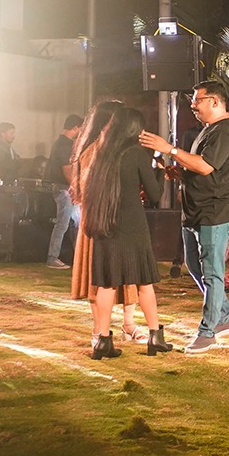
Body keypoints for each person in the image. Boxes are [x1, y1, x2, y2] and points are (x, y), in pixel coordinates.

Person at [140, 81, 229, 355]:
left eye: (197, 100)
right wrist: (180, 172)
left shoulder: (224, 131)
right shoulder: (208, 130)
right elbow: (199, 168)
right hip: (195, 211)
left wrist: (170, 149)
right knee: (195, 267)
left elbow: (206, 166)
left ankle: (208, 332)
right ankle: (225, 317)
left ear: (214, 102)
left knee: (212, 273)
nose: (193, 105)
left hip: (215, 212)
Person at [81, 108, 166, 359]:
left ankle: (102, 340)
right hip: (132, 225)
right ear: (133, 129)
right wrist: (160, 168)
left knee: (107, 284)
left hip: (105, 224)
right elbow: (155, 194)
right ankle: (155, 337)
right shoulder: (136, 154)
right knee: (144, 281)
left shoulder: (101, 154)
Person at [70, 101, 143, 344]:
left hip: (117, 219)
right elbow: (88, 190)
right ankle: (99, 332)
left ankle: (128, 325)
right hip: (99, 222)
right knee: (98, 279)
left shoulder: (120, 150)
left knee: (129, 274)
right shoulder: (93, 152)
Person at [44, 113, 84, 269]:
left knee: (76, 223)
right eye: (80, 129)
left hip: (64, 188)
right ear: (75, 128)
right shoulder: (64, 145)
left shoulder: (60, 143)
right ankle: (52, 257)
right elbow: (67, 170)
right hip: (64, 188)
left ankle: (79, 256)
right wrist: (76, 188)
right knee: (63, 224)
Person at [0, 122, 18, 188]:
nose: (14, 136)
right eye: (11, 133)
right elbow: (8, 167)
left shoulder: (7, 147)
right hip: (4, 186)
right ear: (3, 134)